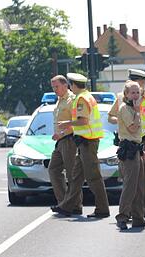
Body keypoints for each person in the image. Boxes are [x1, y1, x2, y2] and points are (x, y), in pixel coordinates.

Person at [109, 69, 145, 221]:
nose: (134, 88)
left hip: (144, 142)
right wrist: (124, 120)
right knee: (132, 181)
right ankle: (127, 214)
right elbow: (113, 118)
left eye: (136, 83)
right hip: (129, 143)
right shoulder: (122, 99)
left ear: (143, 83)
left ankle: (142, 213)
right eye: (130, 82)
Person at [64, 73, 111, 219]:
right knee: (76, 177)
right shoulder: (87, 96)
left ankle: (102, 209)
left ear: (73, 85)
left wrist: (67, 124)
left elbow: (83, 121)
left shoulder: (81, 99)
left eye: (70, 85)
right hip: (86, 141)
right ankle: (67, 206)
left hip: (87, 142)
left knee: (93, 177)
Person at [113, 80, 145, 230]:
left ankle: (138, 217)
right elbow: (133, 129)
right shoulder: (125, 109)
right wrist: (138, 111)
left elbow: (136, 135)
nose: (135, 95)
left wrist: (141, 150)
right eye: (132, 92)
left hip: (135, 148)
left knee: (139, 186)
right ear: (126, 94)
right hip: (128, 150)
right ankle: (122, 217)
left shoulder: (133, 109)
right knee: (130, 186)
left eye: (137, 93)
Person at [47, 75, 80, 217]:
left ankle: (75, 205)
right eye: (53, 87)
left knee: (72, 174)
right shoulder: (60, 100)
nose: (55, 90)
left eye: (57, 87)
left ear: (65, 85)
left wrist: (62, 134)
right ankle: (64, 203)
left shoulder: (72, 100)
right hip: (60, 141)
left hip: (69, 140)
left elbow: (76, 123)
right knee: (53, 169)